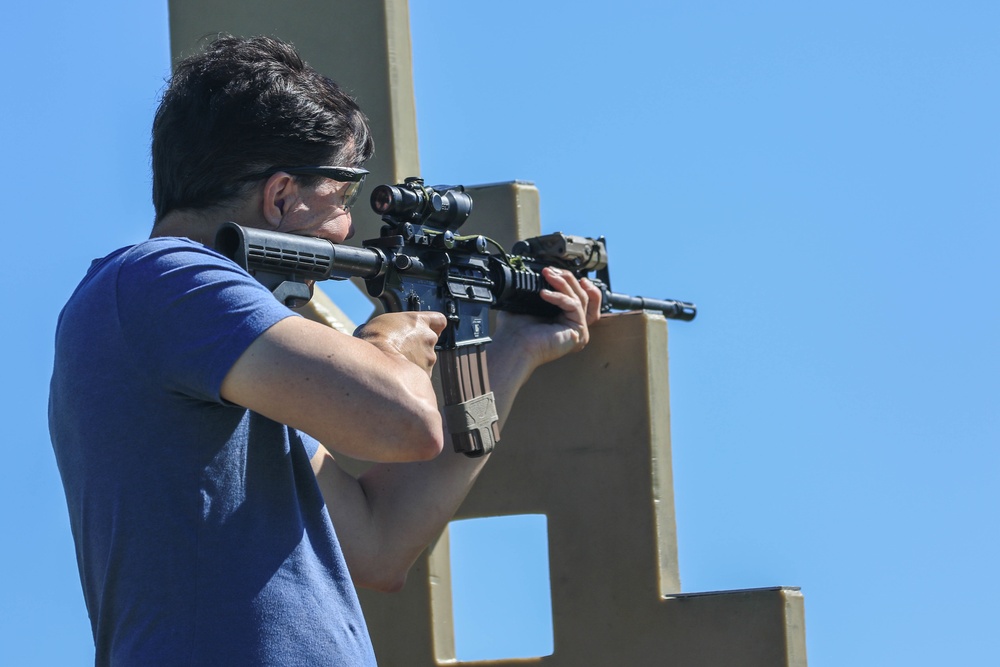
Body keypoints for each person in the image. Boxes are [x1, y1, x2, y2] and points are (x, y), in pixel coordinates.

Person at [49, 35, 601, 665]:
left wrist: (513, 354)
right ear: (282, 196)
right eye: (341, 200)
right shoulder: (165, 277)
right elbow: (406, 422)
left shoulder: (220, 354)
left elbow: (379, 542)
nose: (347, 230)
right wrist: (387, 338)